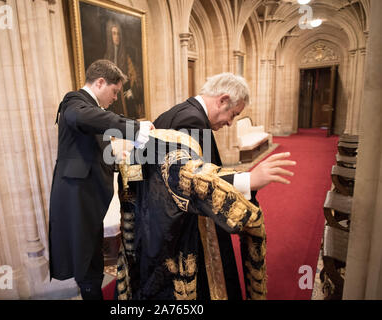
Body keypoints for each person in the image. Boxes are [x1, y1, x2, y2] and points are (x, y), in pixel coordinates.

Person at [115, 73, 295, 300]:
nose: (230, 122)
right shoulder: (192, 122)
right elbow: (190, 180)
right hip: (181, 229)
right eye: (233, 114)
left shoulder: (174, 113)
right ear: (222, 100)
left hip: (157, 221)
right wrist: (249, 180)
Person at [48, 59, 152, 300]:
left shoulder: (91, 110)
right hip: (77, 194)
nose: (116, 98)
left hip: (86, 193)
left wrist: (118, 161)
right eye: (114, 91)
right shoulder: (74, 102)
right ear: (100, 82)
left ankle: (91, 290)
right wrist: (136, 129)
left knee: (89, 251)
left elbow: (94, 150)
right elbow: (81, 118)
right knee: (85, 255)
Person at [104, 19, 144, 119]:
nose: (116, 37)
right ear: (110, 36)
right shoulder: (107, 57)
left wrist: (131, 89)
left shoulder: (127, 56)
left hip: (126, 95)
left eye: (118, 34)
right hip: (112, 97)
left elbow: (135, 76)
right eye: (114, 34)